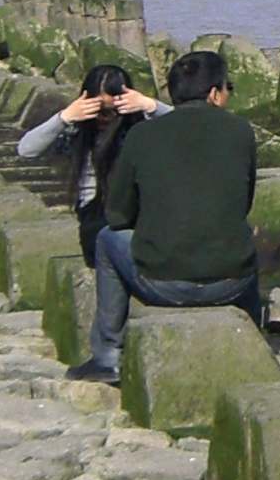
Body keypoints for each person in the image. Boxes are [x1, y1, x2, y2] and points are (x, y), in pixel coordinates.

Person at [92, 48, 263, 338]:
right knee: (241, 236)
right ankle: (254, 333)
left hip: (162, 284)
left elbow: (117, 214)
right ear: (214, 94)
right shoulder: (240, 131)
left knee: (107, 239)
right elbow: (243, 203)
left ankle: (108, 352)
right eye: (227, 88)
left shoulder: (142, 135)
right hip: (232, 284)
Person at [21, 63, 165, 381]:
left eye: (112, 109)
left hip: (140, 226)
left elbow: (195, 130)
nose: (104, 118)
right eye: (98, 109)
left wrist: (151, 106)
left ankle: (108, 356)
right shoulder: (77, 134)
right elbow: (26, 149)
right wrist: (65, 117)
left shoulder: (143, 132)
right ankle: (109, 355)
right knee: (104, 236)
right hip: (97, 228)